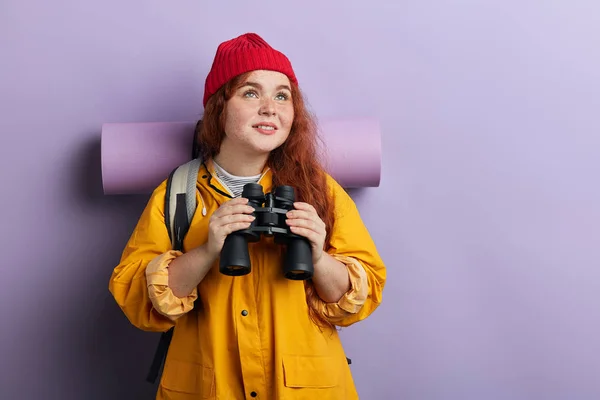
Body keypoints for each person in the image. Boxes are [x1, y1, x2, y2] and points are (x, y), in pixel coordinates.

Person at [109, 32, 386, 399]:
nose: (270, 107)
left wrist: (317, 256)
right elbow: (137, 301)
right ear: (219, 108)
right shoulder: (179, 192)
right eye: (251, 92)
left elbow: (359, 298)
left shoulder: (319, 190)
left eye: (282, 95)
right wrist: (207, 250)